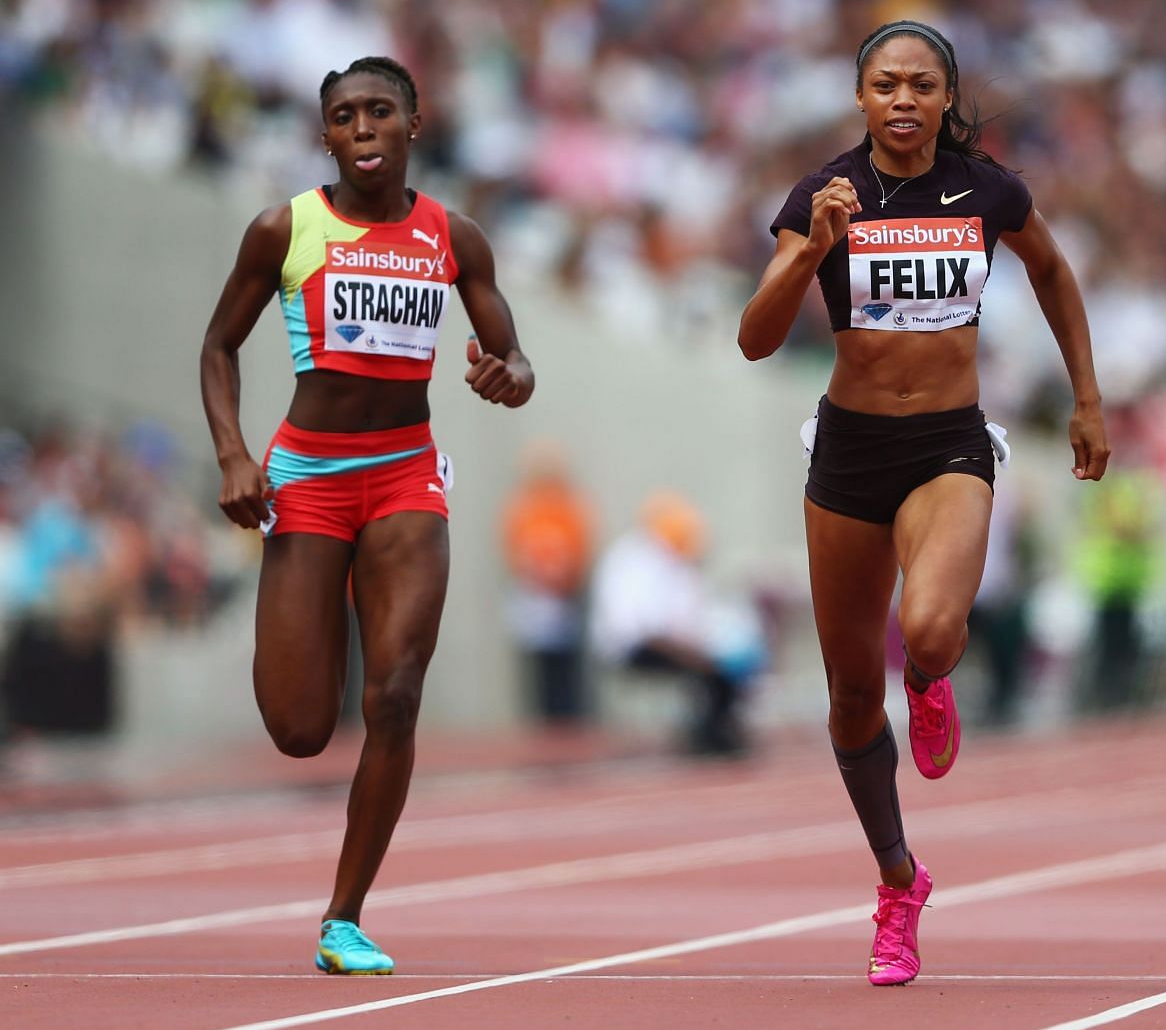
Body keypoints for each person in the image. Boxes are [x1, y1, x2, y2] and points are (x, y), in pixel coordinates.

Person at [739, 19, 1108, 985]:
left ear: (948, 99)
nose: (904, 100)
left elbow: (1056, 273)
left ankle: (935, 680)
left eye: (923, 85)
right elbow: (754, 338)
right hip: (851, 453)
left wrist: (1087, 399)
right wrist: (808, 248)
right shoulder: (823, 195)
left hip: (946, 441)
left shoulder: (989, 190)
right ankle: (898, 883)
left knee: (933, 630)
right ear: (860, 99)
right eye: (886, 85)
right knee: (852, 694)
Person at [199, 56, 534, 975]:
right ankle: (316, 627)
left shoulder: (454, 237)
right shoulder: (285, 229)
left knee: (394, 695)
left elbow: (516, 358)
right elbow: (219, 347)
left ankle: (344, 917)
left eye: (380, 111)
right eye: (344, 116)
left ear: (413, 124)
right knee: (302, 728)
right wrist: (234, 454)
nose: (362, 129)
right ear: (326, 136)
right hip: (307, 477)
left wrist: (509, 377)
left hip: (405, 478)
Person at [588, 490, 755, 757]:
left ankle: (715, 730)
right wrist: (697, 655)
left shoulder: (678, 563)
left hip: (668, 643)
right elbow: (643, 629)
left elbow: (692, 619)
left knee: (728, 664)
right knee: (711, 670)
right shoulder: (634, 560)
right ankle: (709, 736)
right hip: (632, 647)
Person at [500, 441, 596, 726]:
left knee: (566, 668)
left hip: (564, 596)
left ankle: (566, 718)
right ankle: (546, 720)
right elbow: (515, 550)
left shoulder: (570, 507)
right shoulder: (523, 508)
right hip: (535, 596)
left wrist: (562, 576)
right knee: (539, 667)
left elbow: (580, 549)